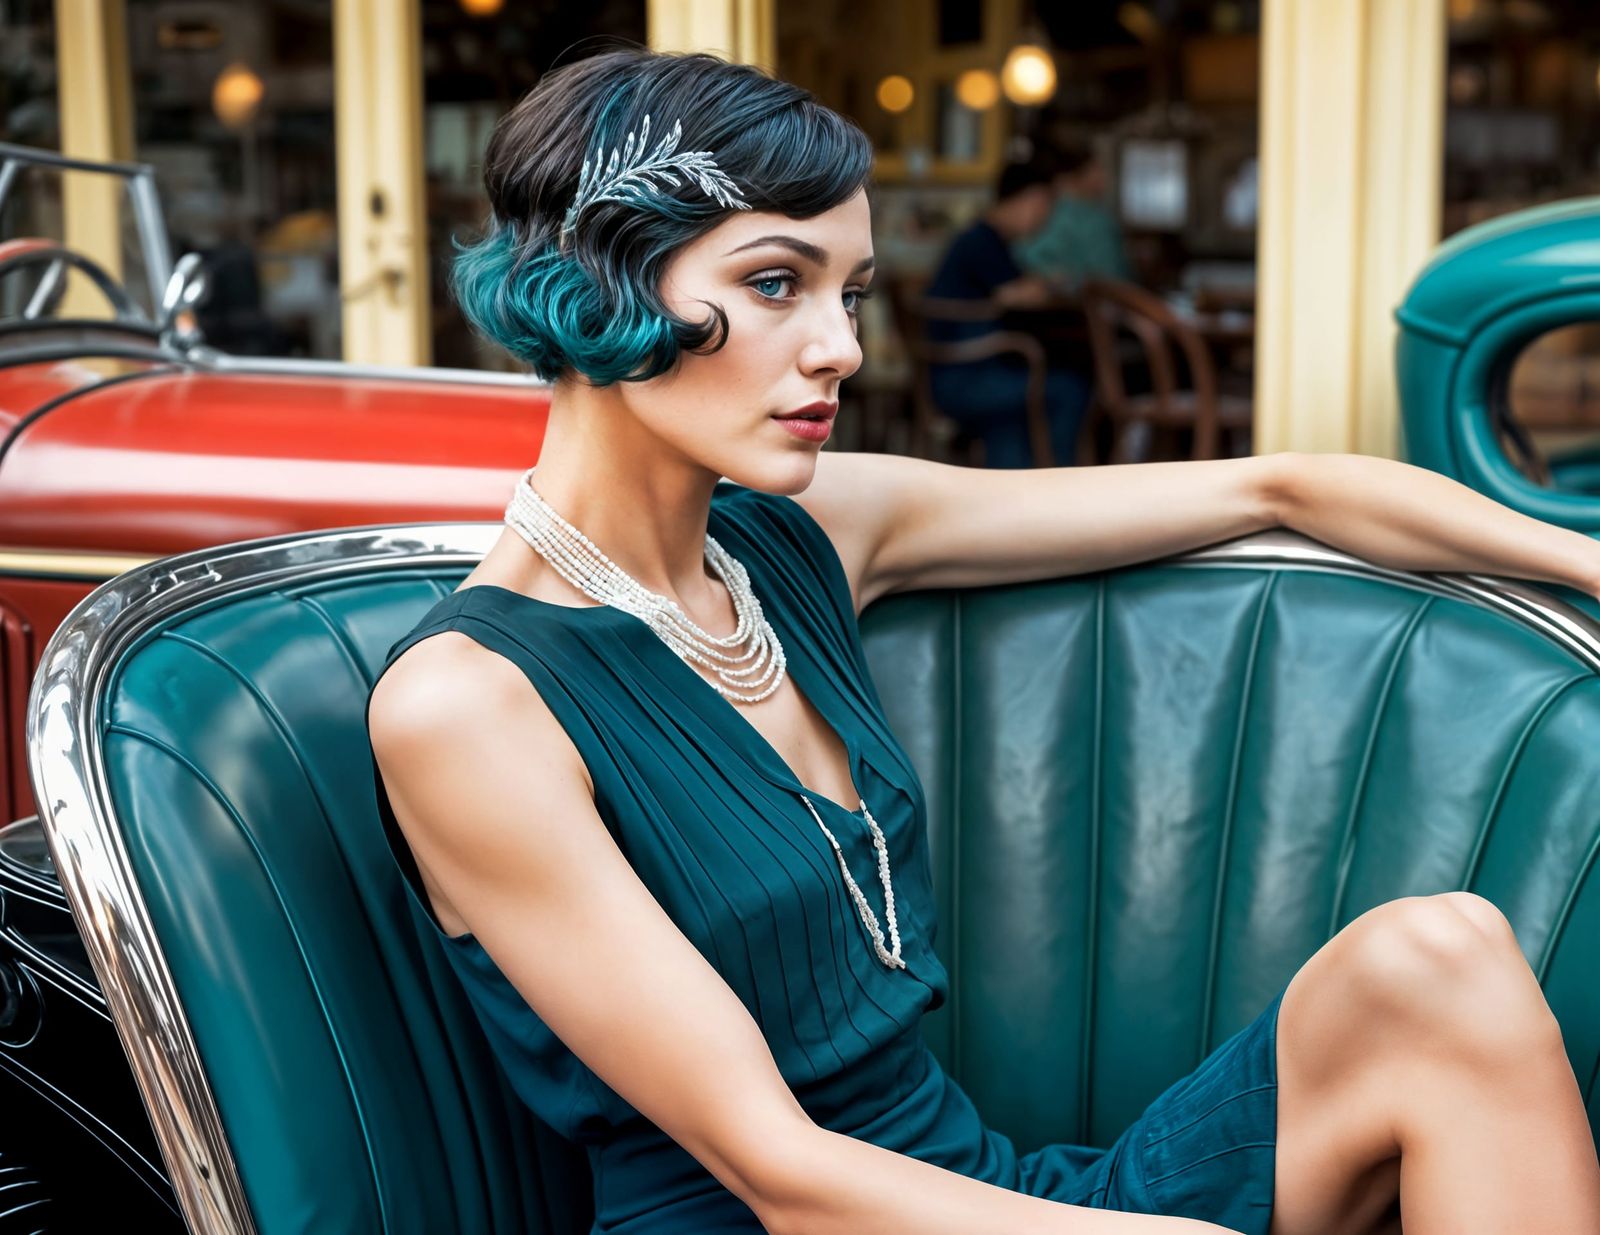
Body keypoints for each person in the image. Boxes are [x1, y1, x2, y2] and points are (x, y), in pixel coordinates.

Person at [365, 42, 1600, 1235]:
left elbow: (1276, 488)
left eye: (846, 294)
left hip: (985, 1192)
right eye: (774, 283)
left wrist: (1586, 560)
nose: (841, 346)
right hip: (797, 1217)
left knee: (1445, 958)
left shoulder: (808, 536)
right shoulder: (470, 707)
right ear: (601, 281)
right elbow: (782, 1174)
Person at [923, 153, 1093, 469]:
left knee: (1011, 422)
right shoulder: (980, 242)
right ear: (1031, 199)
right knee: (1069, 389)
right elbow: (1018, 295)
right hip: (965, 380)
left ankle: (1029, 501)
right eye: (1045, 207)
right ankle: (1064, 486)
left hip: (967, 372)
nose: (1045, 219)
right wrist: (1053, 284)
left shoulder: (984, 241)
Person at [1014, 136, 1132, 292]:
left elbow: (1022, 256)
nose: (1104, 177)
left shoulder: (1042, 210)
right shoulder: (1095, 220)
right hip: (1092, 307)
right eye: (1098, 168)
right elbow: (1114, 279)